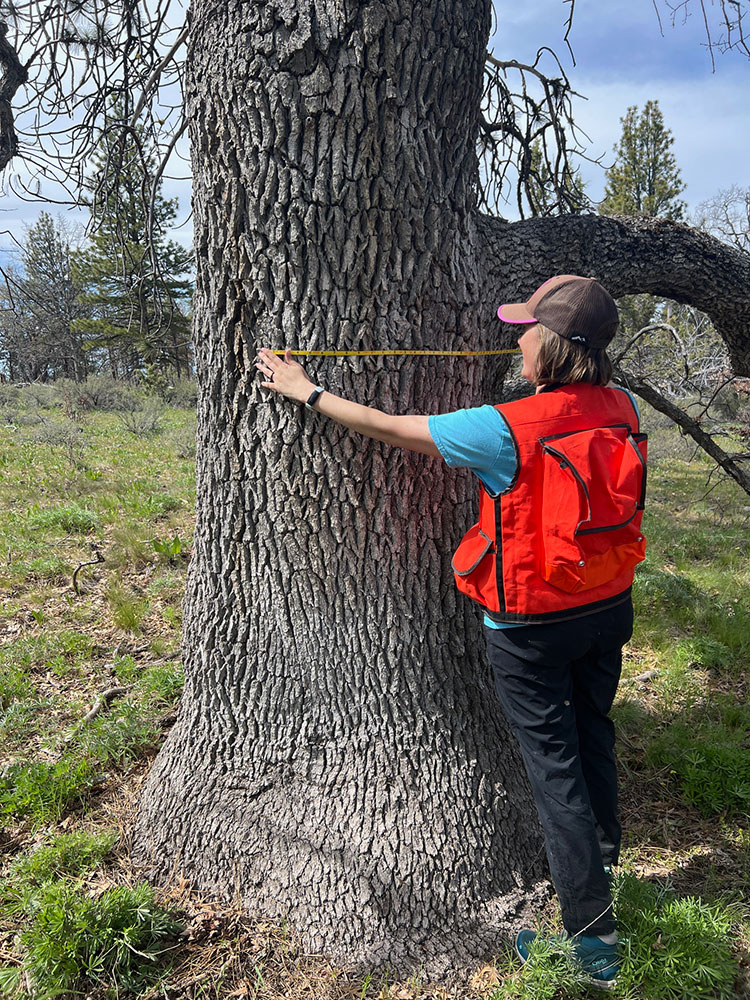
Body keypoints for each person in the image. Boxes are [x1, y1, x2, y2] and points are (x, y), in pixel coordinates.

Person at [255, 274, 647, 989]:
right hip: (607, 605)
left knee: (554, 770)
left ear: (553, 345)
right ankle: (605, 856)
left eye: (527, 328)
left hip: (531, 623)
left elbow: (389, 428)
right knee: (593, 730)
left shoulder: (502, 428)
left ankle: (593, 948)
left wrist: (304, 391)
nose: (517, 336)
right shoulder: (619, 405)